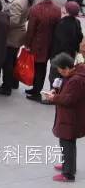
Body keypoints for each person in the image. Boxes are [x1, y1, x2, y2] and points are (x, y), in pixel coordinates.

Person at [44, 53, 85, 183]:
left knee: (67, 144)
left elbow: (69, 100)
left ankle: (68, 174)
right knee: (67, 144)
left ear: (67, 68)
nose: (60, 73)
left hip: (70, 118)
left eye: (61, 71)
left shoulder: (75, 80)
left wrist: (54, 98)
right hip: (70, 117)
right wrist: (56, 91)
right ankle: (68, 166)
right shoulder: (73, 76)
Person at [23, 0, 62, 101]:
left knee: (38, 67)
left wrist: (27, 44)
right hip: (51, 42)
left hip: (37, 43)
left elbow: (31, 29)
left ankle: (36, 91)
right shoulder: (57, 9)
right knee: (42, 67)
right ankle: (36, 89)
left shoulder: (35, 9)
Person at [0, 0, 34, 96]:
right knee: (13, 59)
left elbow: (13, 21)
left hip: (12, 35)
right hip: (18, 34)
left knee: (8, 62)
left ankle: (6, 86)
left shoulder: (17, 2)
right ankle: (13, 82)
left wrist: (2, 21)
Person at [49, 2, 83, 86]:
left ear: (67, 11)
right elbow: (80, 37)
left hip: (59, 56)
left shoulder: (62, 23)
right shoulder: (77, 22)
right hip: (71, 55)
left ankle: (53, 93)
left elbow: (59, 41)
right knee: (64, 78)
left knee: (54, 77)